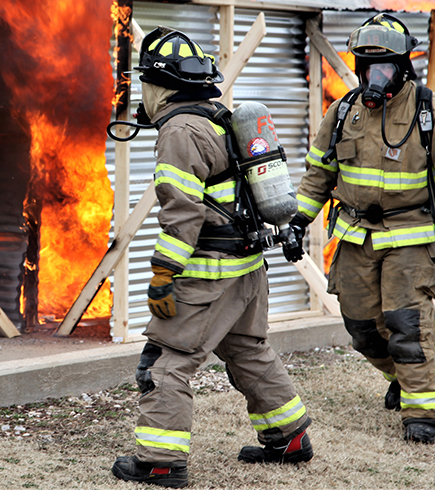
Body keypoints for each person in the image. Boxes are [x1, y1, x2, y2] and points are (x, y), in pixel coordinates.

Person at [111, 27, 312, 488]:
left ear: (160, 84)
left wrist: (163, 275)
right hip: (247, 267)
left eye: (146, 82)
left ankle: (159, 462)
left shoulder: (180, 131)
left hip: (209, 273)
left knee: (167, 362)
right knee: (247, 350)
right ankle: (289, 437)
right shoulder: (219, 116)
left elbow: (182, 215)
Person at [291, 13, 435, 445]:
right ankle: (402, 377)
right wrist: (298, 220)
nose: (373, 77)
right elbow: (317, 174)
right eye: (366, 67)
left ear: (403, 67)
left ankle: (423, 411)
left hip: (412, 239)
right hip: (358, 238)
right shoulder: (344, 111)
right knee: (360, 326)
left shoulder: (431, 112)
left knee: (407, 324)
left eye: (383, 68)